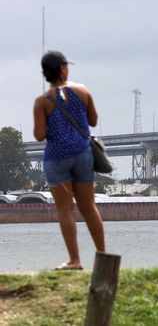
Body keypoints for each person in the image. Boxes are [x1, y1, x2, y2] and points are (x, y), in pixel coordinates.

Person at [32, 51, 106, 271]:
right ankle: (103, 256)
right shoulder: (82, 91)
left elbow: (39, 135)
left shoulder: (42, 102)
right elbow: (93, 121)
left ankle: (75, 260)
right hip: (83, 154)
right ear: (63, 69)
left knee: (65, 210)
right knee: (89, 207)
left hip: (57, 158)